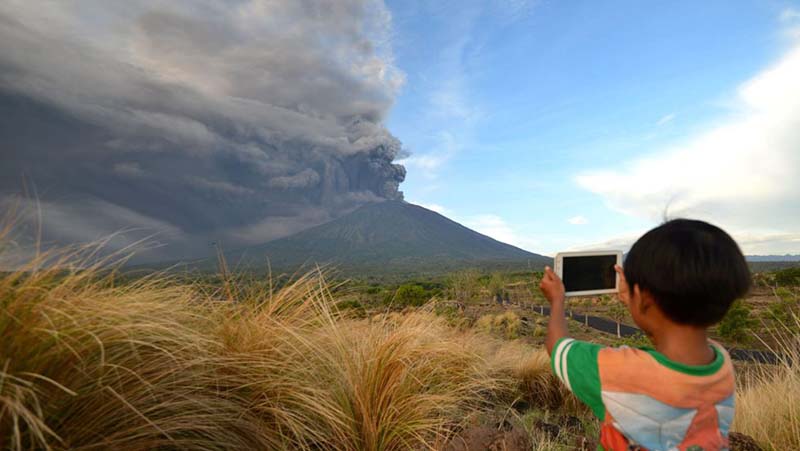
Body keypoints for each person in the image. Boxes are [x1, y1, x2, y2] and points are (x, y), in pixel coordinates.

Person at [539, 219, 750, 451]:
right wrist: (640, 303)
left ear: (644, 295)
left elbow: (557, 347)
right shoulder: (722, 366)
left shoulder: (618, 371)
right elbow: (673, 334)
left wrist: (557, 301)